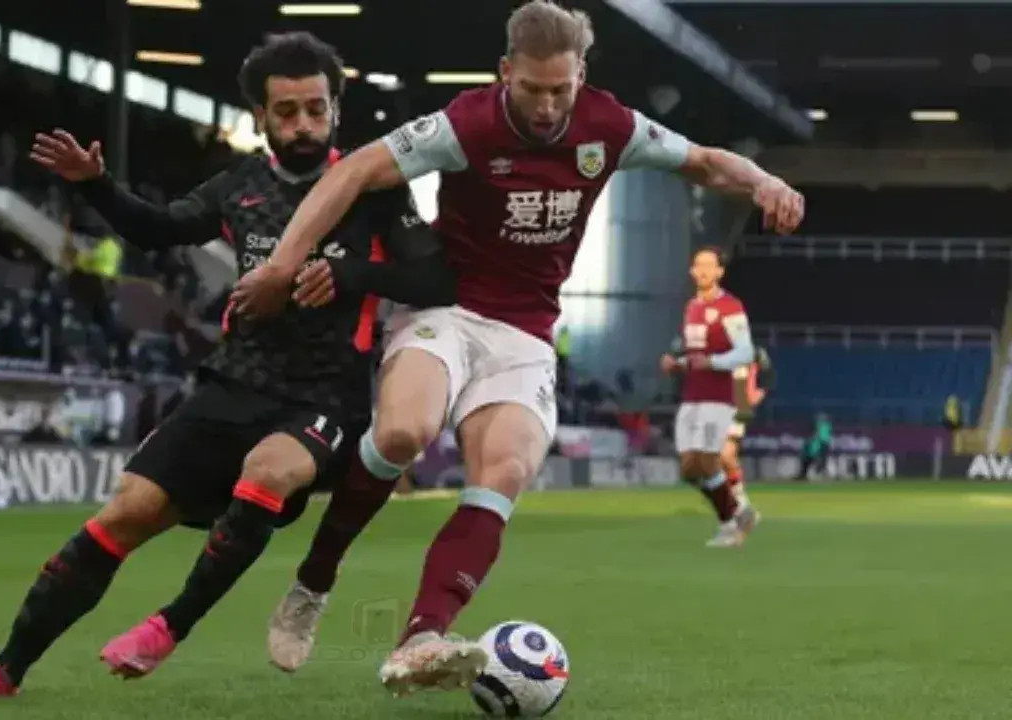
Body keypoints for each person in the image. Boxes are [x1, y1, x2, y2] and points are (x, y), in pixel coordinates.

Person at [231, 0, 805, 695]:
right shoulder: (465, 124)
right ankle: (313, 582)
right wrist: (282, 266)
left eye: (561, 89)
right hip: (444, 309)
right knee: (405, 432)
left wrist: (765, 181)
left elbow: (706, 163)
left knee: (503, 471)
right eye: (532, 89)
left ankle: (422, 639)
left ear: (581, 75)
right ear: (506, 72)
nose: (546, 106)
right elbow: (352, 171)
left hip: (526, 332)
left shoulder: (611, 126)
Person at [0, 32, 456, 701]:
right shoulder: (239, 186)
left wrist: (351, 274)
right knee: (128, 510)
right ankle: (4, 670)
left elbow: (437, 278)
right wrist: (95, 185)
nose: (303, 124)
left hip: (324, 397)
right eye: (286, 111)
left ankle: (168, 626)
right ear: (260, 118)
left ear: (335, 111)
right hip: (232, 383)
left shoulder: (373, 189)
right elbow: (159, 227)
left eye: (315, 109)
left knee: (268, 473)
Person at [660, 247, 760, 548]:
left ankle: (729, 526)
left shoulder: (730, 307)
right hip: (691, 395)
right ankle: (740, 510)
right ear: (692, 271)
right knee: (689, 469)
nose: (703, 270)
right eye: (698, 265)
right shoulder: (691, 307)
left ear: (720, 272)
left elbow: (746, 352)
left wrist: (714, 362)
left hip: (718, 397)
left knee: (707, 461)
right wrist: (676, 363)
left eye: (709, 265)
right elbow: (693, 353)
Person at [721, 346, 775, 506]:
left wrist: (757, 396)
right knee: (720, 458)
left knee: (726, 455)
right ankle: (732, 494)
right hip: (717, 406)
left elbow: (769, 376)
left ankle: (738, 496)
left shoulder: (752, 353)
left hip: (737, 409)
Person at [795, 413, 833, 480]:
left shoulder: (823, 426)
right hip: (819, 446)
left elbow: (821, 436)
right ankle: (804, 474)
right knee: (808, 460)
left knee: (814, 460)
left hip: (820, 446)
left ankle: (804, 474)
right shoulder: (826, 426)